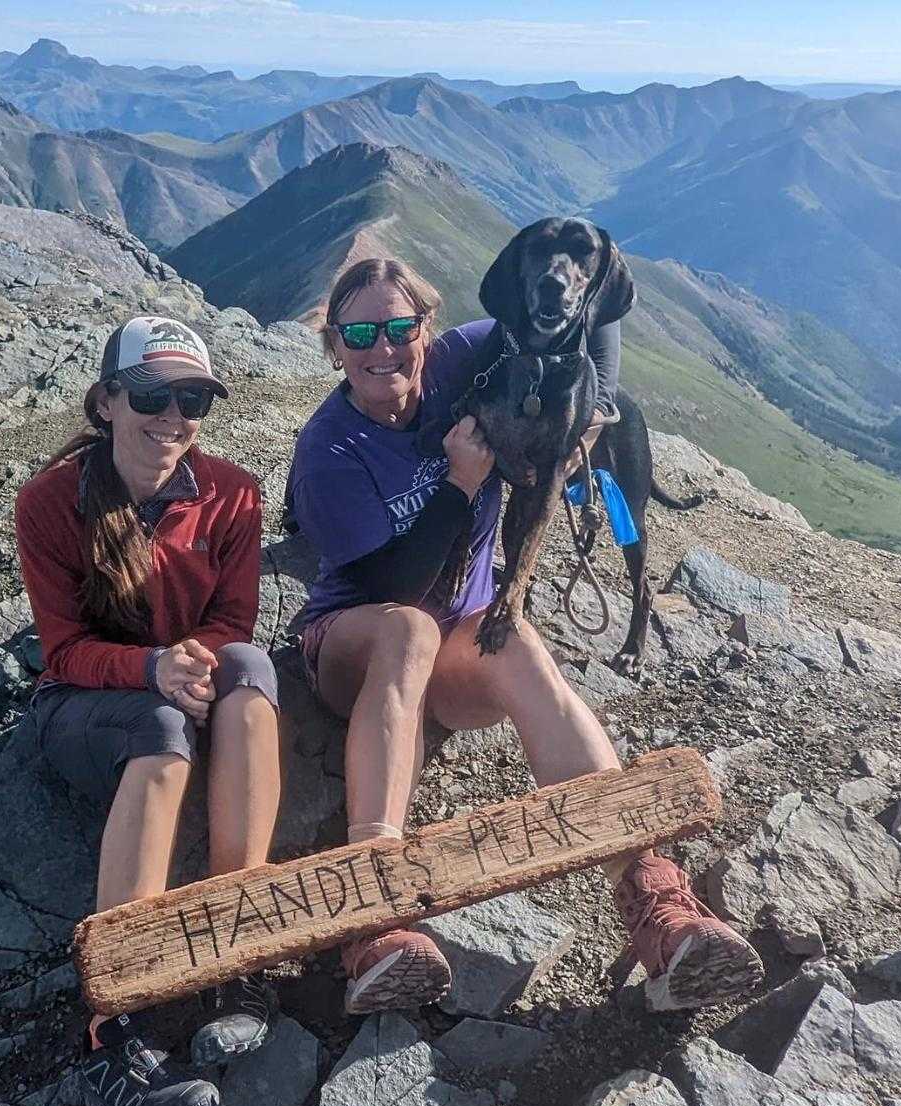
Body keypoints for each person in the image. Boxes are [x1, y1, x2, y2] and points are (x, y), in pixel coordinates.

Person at [285, 259, 764, 1016]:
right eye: (361, 333)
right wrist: (463, 484)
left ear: (428, 329)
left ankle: (653, 900)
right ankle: (375, 918)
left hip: (454, 653)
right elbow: (396, 589)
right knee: (409, 627)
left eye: (402, 327)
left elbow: (587, 315)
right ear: (335, 345)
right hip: (356, 640)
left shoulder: (463, 358)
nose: (385, 348)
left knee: (517, 640)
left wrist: (595, 404)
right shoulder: (329, 450)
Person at [16, 316, 281, 1106]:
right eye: (153, 395)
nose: (173, 416)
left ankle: (239, 947)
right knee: (160, 727)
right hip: (83, 706)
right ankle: (110, 1028)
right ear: (106, 402)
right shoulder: (50, 502)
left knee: (253, 668)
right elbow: (60, 650)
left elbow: (235, 618)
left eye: (193, 397)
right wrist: (151, 670)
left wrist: (190, 660)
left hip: (174, 679)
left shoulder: (231, 491)